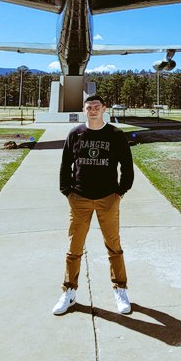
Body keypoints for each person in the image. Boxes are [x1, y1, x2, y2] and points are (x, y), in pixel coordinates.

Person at [52, 94, 134, 316]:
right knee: (74, 249)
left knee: (114, 246)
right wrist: (67, 192)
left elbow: (127, 165)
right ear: (84, 110)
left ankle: (120, 289)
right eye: (89, 107)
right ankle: (69, 291)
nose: (93, 110)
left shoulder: (116, 135)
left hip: (108, 198)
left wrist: (120, 192)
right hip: (79, 198)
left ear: (104, 109)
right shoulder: (75, 134)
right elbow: (65, 165)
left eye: (97, 107)